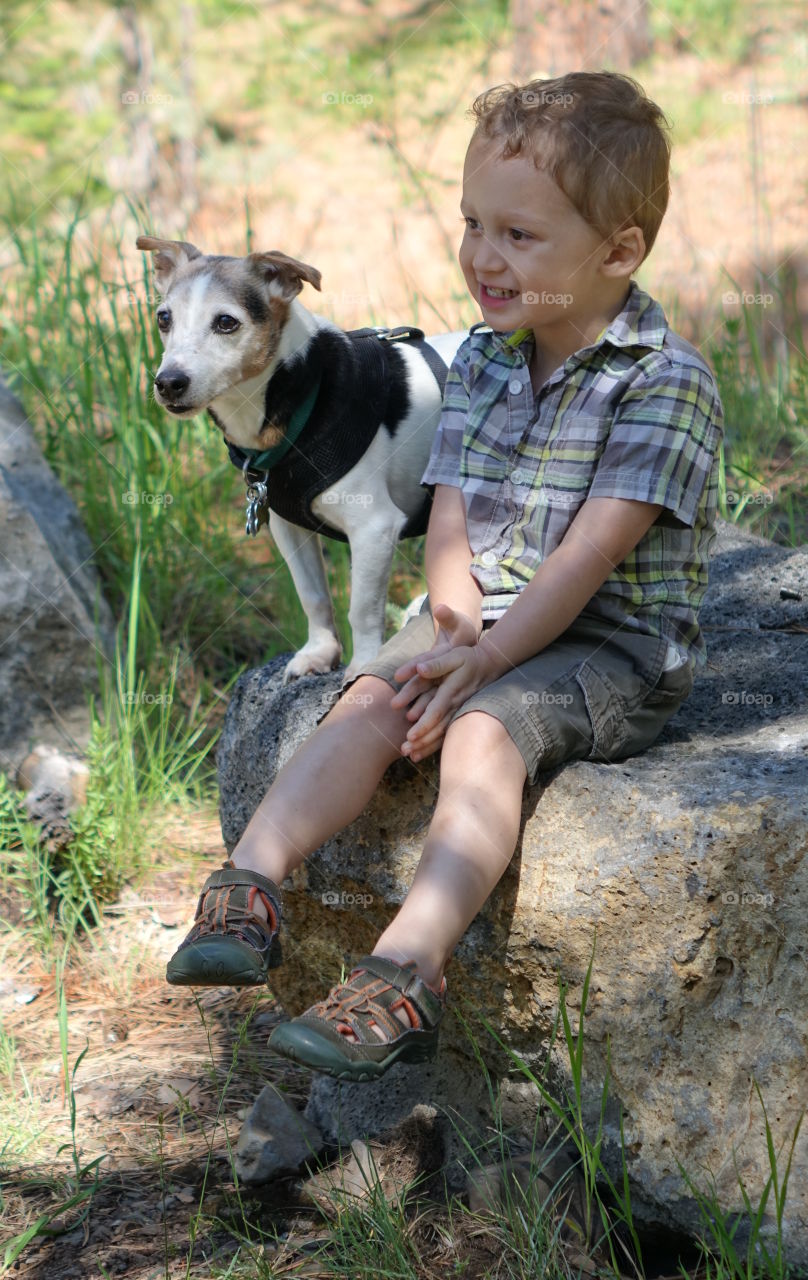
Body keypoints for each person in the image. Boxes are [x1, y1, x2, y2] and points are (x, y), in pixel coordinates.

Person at [165, 70, 725, 1083]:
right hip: (490, 611)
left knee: (480, 730)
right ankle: (248, 883)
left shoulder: (665, 380)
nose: (482, 254)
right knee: (371, 695)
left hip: (612, 640)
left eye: (519, 235)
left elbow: (593, 551)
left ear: (619, 250)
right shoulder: (485, 354)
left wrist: (490, 661)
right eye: (474, 222)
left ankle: (404, 971)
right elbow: (452, 499)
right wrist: (453, 615)